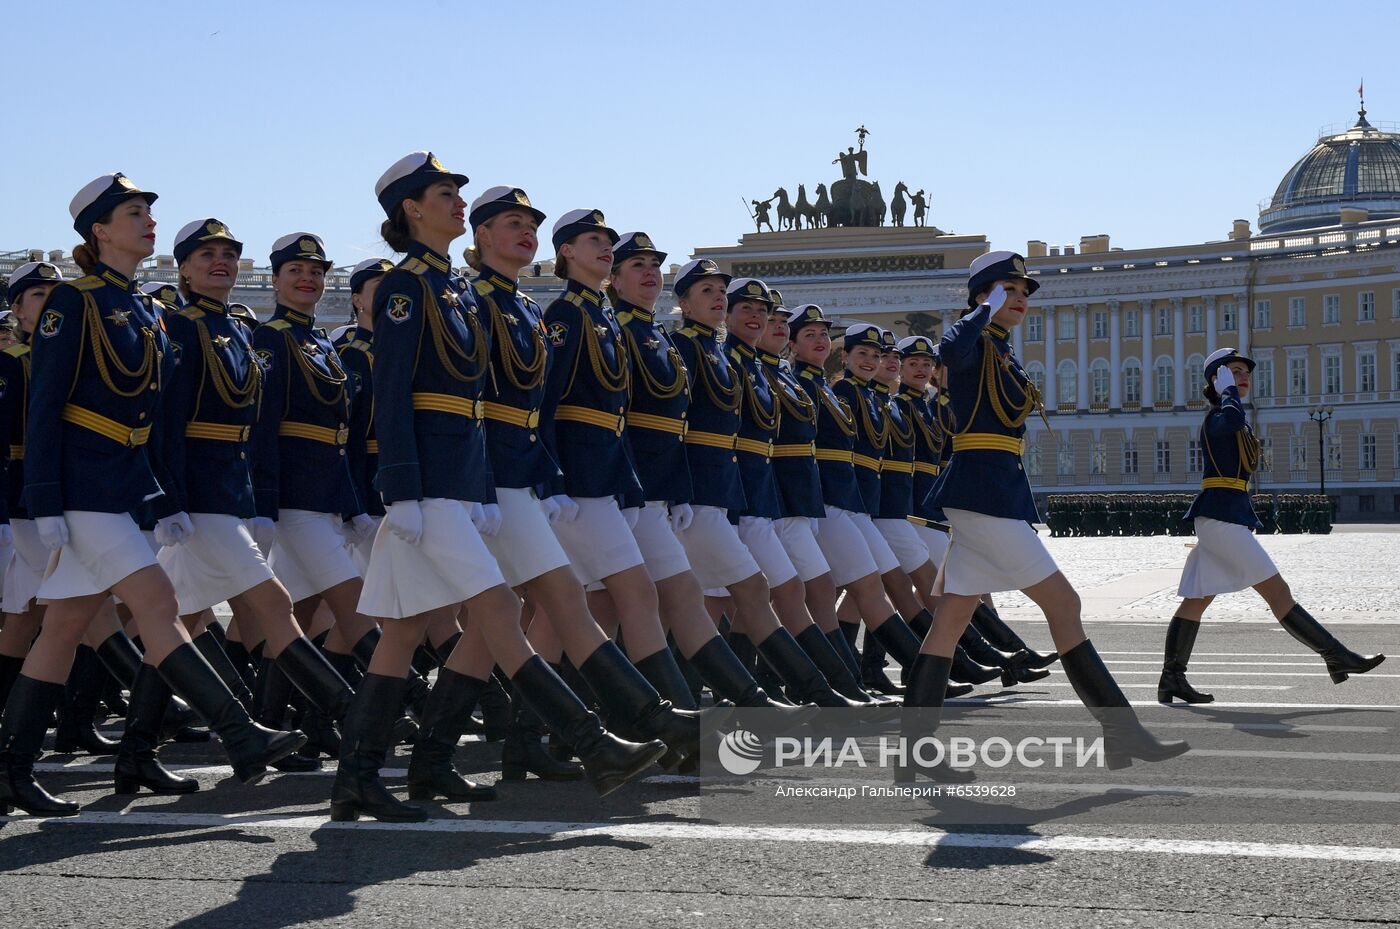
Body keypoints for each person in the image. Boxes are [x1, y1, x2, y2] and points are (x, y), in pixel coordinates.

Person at [337, 155, 668, 823]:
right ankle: (592, 743)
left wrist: (485, 485)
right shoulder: (408, 289)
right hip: (426, 487)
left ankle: (388, 773)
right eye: (445, 194)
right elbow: (392, 392)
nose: (459, 203)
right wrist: (399, 487)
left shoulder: (453, 291)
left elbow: (480, 405)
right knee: (495, 609)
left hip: (460, 482)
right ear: (412, 210)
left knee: (401, 632)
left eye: (460, 193)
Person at [0, 174, 304, 817]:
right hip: (83, 489)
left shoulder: (146, 309)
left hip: (122, 488)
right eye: (132, 213)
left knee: (62, 627)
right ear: (99, 230)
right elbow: (45, 407)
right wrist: (46, 500)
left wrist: (158, 496)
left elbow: (153, 419)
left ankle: (12, 766)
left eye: (147, 212)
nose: (147, 221)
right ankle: (239, 733)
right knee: (158, 602)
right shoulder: (73, 303)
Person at [910, 250, 1187, 777]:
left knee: (950, 621)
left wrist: (990, 315)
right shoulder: (972, 343)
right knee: (1064, 603)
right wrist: (982, 311)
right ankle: (1122, 732)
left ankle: (913, 752)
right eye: (1006, 291)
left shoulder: (1003, 353)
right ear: (983, 296)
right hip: (983, 496)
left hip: (991, 493)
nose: (1018, 300)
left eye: (1021, 294)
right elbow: (950, 350)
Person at [149, 217, 356, 793]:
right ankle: (354, 716)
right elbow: (168, 421)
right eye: (206, 255)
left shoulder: (234, 331)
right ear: (184, 267)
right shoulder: (181, 327)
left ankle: (141, 749)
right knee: (270, 604)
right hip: (200, 494)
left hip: (231, 493)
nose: (220, 263)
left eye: (229, 255)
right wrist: (169, 497)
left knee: (179, 619)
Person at [668, 266, 863, 707]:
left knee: (723, 601)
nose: (759, 319)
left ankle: (754, 692)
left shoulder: (738, 361)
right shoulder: (694, 350)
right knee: (742, 595)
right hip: (709, 493)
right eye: (748, 309)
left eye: (766, 312)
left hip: (742, 493)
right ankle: (821, 687)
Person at [1159, 347, 1385, 703]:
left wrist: (1230, 392)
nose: (1243, 377)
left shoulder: (1231, 413)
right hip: (1221, 519)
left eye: (1245, 372)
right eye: (1233, 372)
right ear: (1216, 380)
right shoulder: (1220, 416)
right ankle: (1337, 657)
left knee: (1196, 601)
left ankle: (1171, 679)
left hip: (1224, 517)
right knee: (1278, 593)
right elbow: (1232, 423)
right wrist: (1228, 393)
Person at [341, 257, 394, 575]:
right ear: (357, 300)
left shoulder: (400, 351)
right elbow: (351, 436)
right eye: (379, 288)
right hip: (372, 490)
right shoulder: (353, 356)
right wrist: (355, 502)